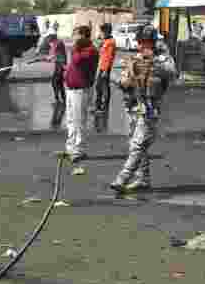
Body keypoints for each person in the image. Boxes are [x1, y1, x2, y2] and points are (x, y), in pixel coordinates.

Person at [111, 25, 176, 193]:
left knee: (138, 144)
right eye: (139, 42)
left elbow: (172, 74)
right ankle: (143, 179)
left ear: (151, 42)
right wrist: (123, 79)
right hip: (133, 106)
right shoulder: (135, 58)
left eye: (143, 42)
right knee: (137, 144)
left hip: (150, 107)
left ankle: (122, 178)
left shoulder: (163, 58)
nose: (139, 46)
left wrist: (152, 62)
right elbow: (124, 81)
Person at [63, 25, 98, 163]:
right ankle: (70, 147)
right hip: (71, 89)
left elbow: (77, 60)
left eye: (75, 35)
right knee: (70, 119)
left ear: (83, 35)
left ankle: (78, 149)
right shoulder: (80, 49)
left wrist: (76, 47)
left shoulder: (90, 51)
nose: (73, 38)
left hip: (81, 90)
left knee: (79, 121)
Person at [95, 22, 116, 114]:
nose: (101, 34)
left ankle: (103, 107)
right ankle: (98, 106)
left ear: (106, 32)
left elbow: (109, 57)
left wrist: (106, 71)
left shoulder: (110, 42)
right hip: (102, 67)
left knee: (103, 87)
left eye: (102, 32)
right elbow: (101, 53)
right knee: (99, 87)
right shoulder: (106, 41)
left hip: (105, 69)